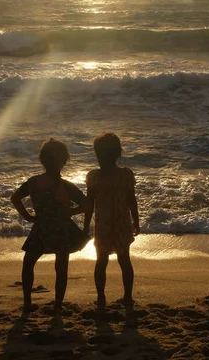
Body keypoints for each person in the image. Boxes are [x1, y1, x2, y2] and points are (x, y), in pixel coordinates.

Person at [11, 138, 90, 315]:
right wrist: (70, 212)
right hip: (62, 230)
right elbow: (87, 205)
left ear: (42, 160)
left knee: (28, 263)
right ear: (64, 161)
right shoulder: (66, 186)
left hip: (40, 229)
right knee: (61, 268)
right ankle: (58, 305)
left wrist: (28, 217)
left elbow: (15, 199)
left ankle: (27, 302)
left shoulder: (33, 182)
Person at [84, 132, 140, 309]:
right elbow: (132, 200)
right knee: (125, 260)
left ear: (98, 154)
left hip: (103, 225)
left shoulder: (93, 177)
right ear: (118, 153)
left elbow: (89, 205)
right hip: (123, 223)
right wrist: (136, 221)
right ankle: (128, 297)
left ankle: (101, 299)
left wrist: (86, 227)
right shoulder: (125, 175)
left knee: (101, 262)